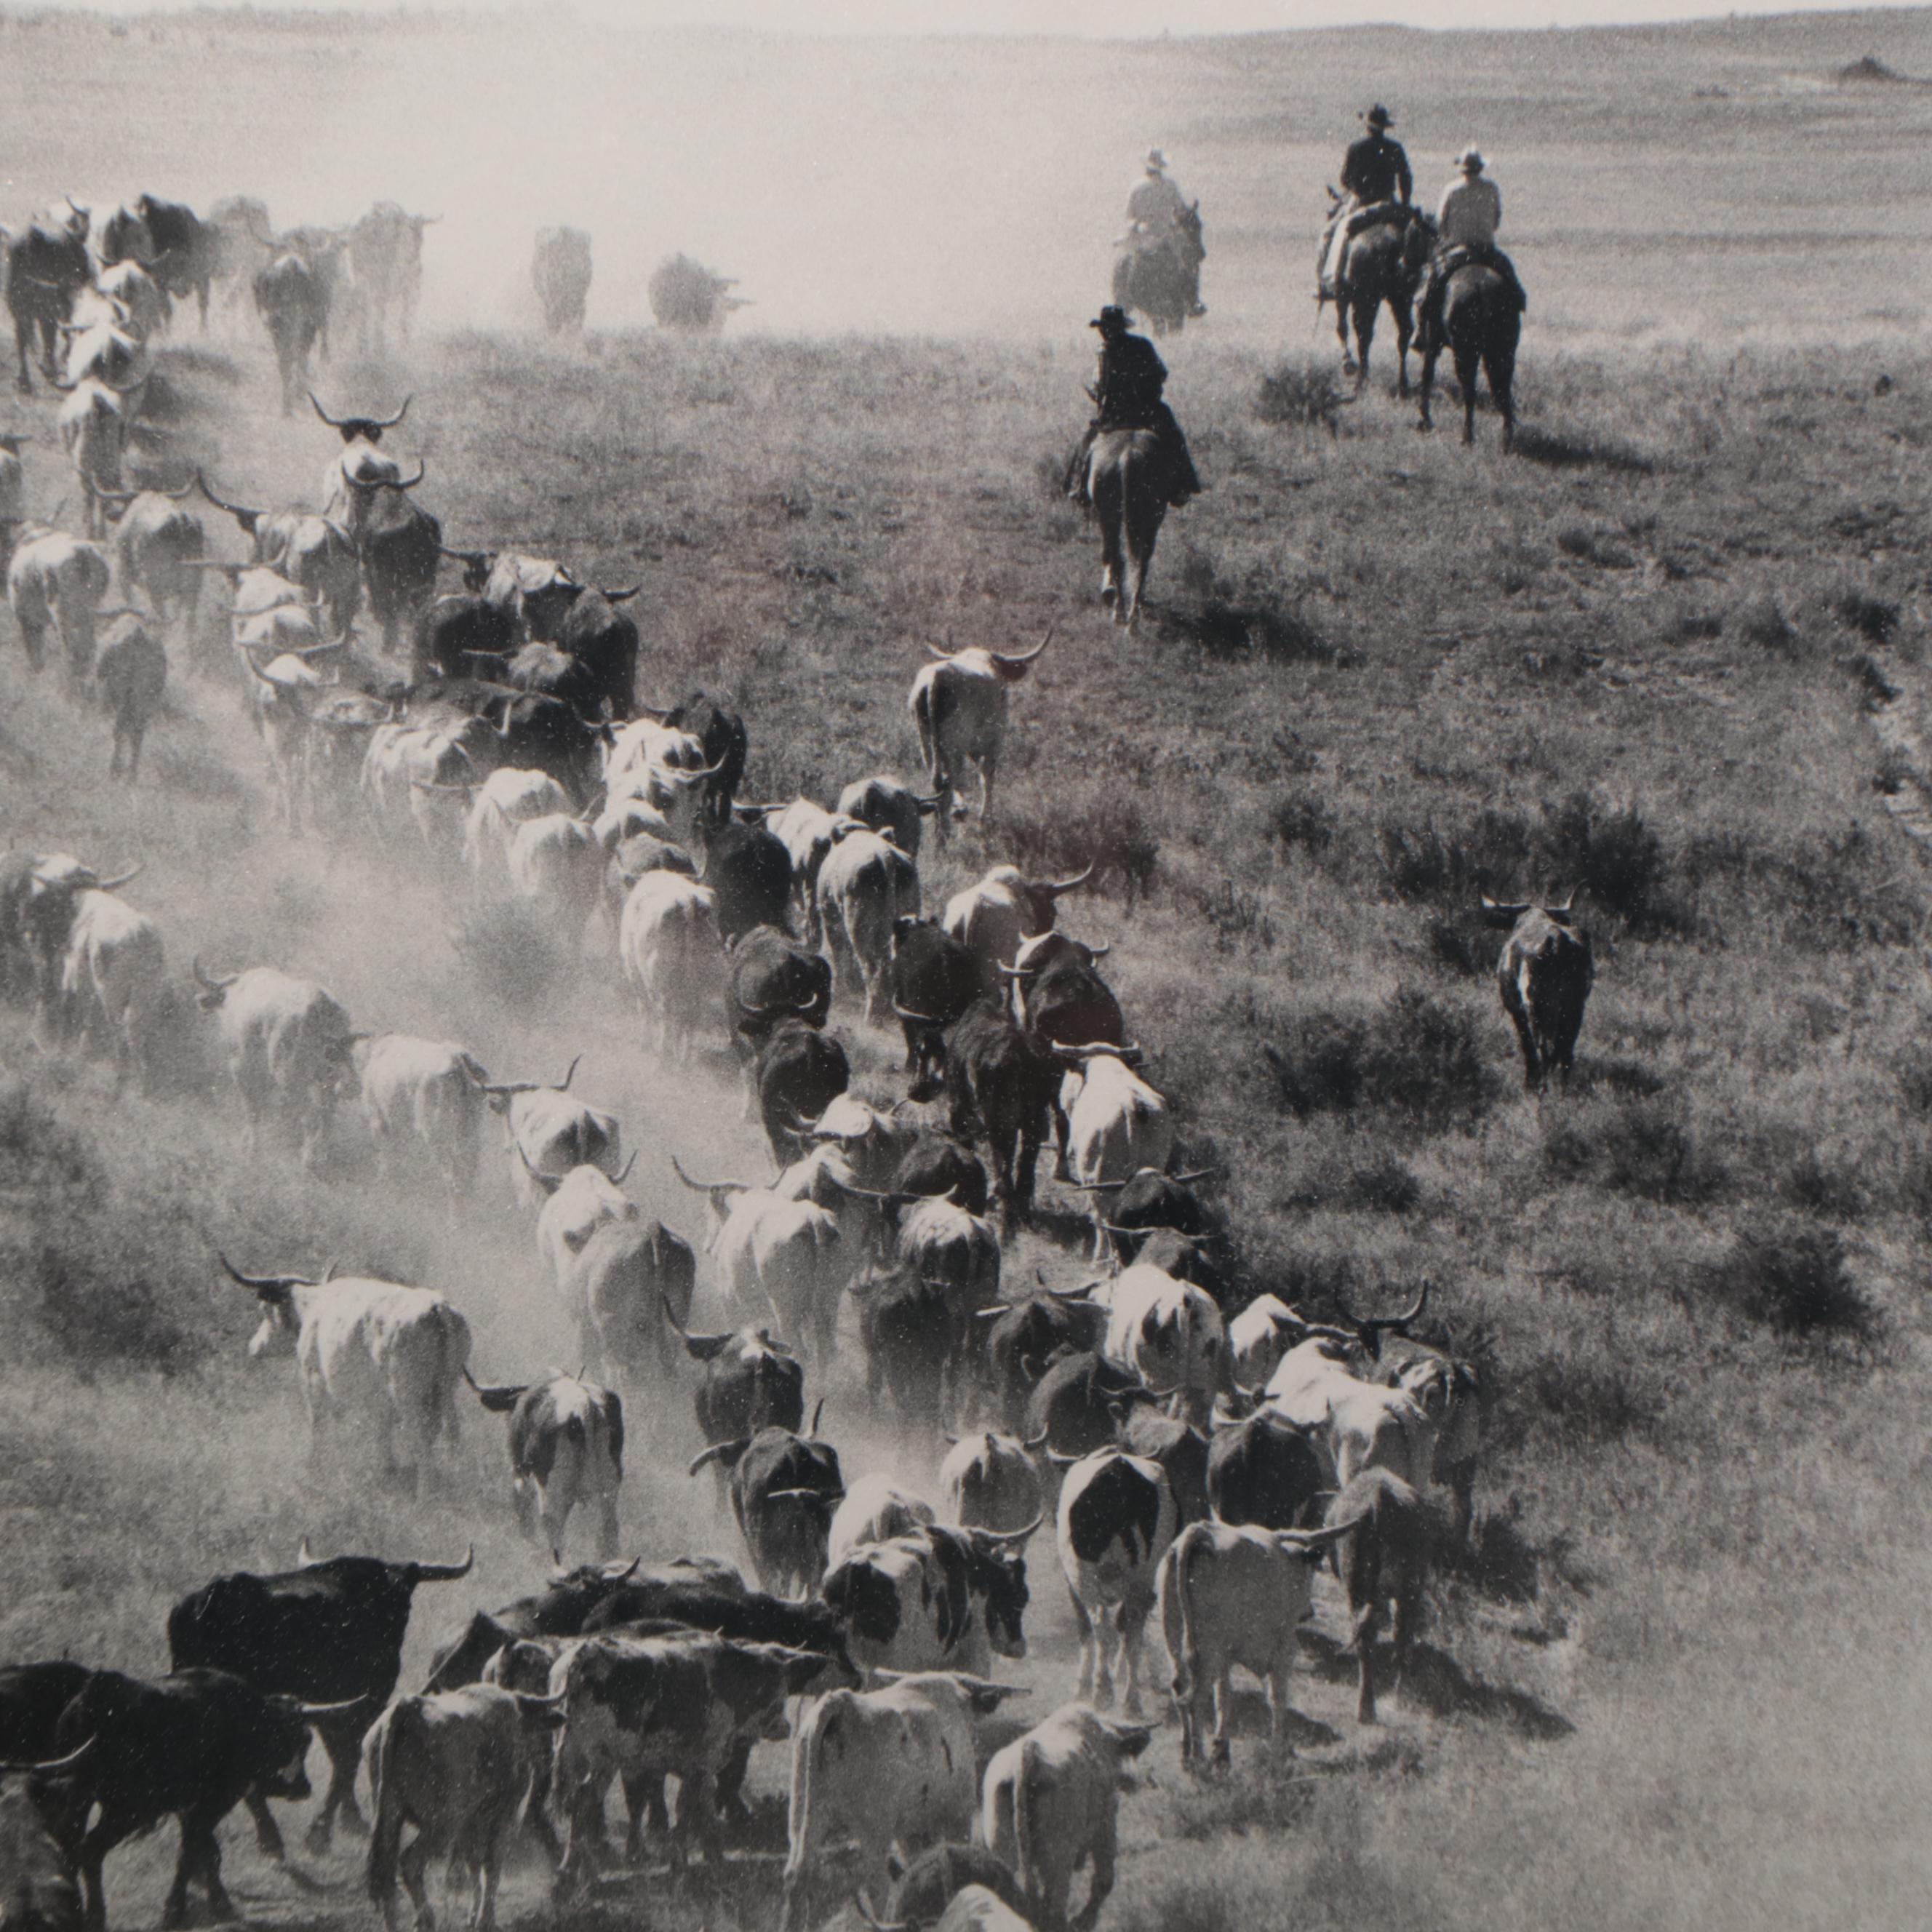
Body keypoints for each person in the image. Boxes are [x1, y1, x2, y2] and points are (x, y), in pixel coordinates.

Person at [1064, 306, 1202, 510]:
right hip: (1148, 413)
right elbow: (1162, 374)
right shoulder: (1144, 345)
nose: (1104, 332)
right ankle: (1185, 483)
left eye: (1105, 328)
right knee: (1174, 437)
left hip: (1115, 416)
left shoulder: (1104, 351)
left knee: (1086, 443)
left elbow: (1100, 386)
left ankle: (1078, 487)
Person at [1417, 148, 1527, 349]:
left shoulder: (1451, 189)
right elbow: (1495, 222)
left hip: (1458, 250)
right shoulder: (1492, 188)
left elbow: (1442, 223)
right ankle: (1519, 302)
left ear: (1462, 169)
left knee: (1430, 288)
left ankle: (1424, 333)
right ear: (1480, 168)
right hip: (1487, 249)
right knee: (1511, 279)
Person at [1318, 104, 1413, 300]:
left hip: (1361, 202)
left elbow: (1345, 179)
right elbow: (1405, 178)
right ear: (1385, 126)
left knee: (1331, 234)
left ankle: (1329, 282)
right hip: (1389, 202)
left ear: (1367, 126)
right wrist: (1404, 204)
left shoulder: (1356, 147)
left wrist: (1357, 190)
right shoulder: (1395, 148)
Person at [1124, 148, 1206, 317]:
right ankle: (1193, 301)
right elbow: (1181, 211)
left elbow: (1129, 215)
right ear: (1162, 166)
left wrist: (1137, 226)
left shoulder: (1137, 187)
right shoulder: (1170, 185)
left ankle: (1124, 302)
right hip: (1167, 236)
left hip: (1143, 236)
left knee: (1125, 262)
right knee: (1189, 264)